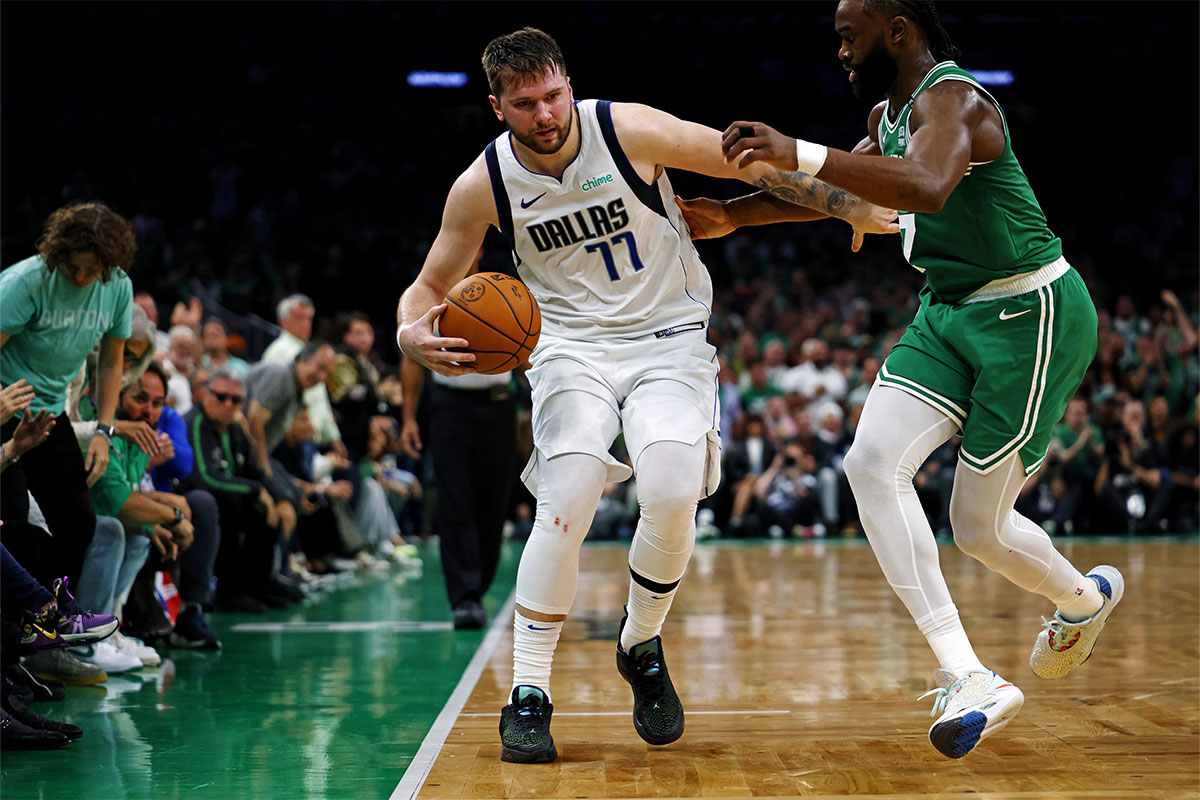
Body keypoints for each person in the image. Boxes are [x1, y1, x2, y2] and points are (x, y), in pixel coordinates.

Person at [394, 26, 897, 763]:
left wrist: (840, 204)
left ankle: (639, 642)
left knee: (669, 488)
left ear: (569, 83)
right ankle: (529, 692)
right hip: (569, 347)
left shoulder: (626, 129)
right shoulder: (483, 184)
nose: (545, 114)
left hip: (667, 333)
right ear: (498, 106)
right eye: (526, 103)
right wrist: (409, 331)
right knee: (566, 493)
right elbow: (429, 286)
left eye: (553, 95)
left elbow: (746, 161)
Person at [683, 0, 1123, 759]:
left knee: (979, 530)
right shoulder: (892, 115)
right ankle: (967, 673)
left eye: (849, 37)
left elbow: (922, 186)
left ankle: (1082, 603)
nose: (841, 53)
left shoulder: (957, 100)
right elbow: (845, 193)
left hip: (1031, 314)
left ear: (898, 30)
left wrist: (797, 147)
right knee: (869, 463)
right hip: (948, 312)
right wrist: (731, 214)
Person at [0, 202, 136, 592]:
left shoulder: (118, 287)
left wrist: (103, 433)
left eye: (90, 270)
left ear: (108, 265)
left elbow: (111, 363)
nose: (79, 276)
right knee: (13, 523)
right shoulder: (27, 281)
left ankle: (52, 627)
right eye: (72, 266)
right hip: (6, 408)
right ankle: (19, 637)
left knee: (78, 522)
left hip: (48, 413)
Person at [400, 248, 518, 631]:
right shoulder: (429, 296)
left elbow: (529, 350)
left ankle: (477, 587)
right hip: (449, 407)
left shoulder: (503, 290)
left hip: (499, 406)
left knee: (494, 502)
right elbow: (410, 358)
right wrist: (407, 418)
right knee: (454, 500)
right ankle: (464, 598)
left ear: (481, 248)